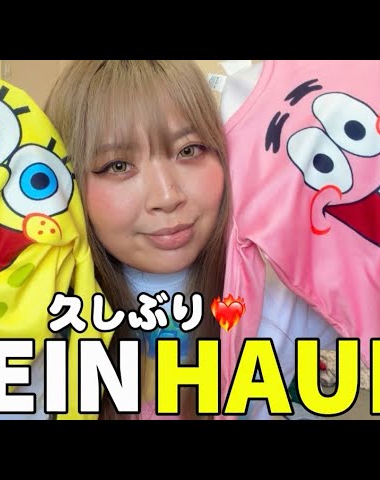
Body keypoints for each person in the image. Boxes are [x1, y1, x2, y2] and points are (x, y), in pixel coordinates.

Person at [44, 60, 232, 420]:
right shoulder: (36, 332)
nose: (167, 196)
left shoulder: (278, 306)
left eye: (189, 150)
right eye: (118, 166)